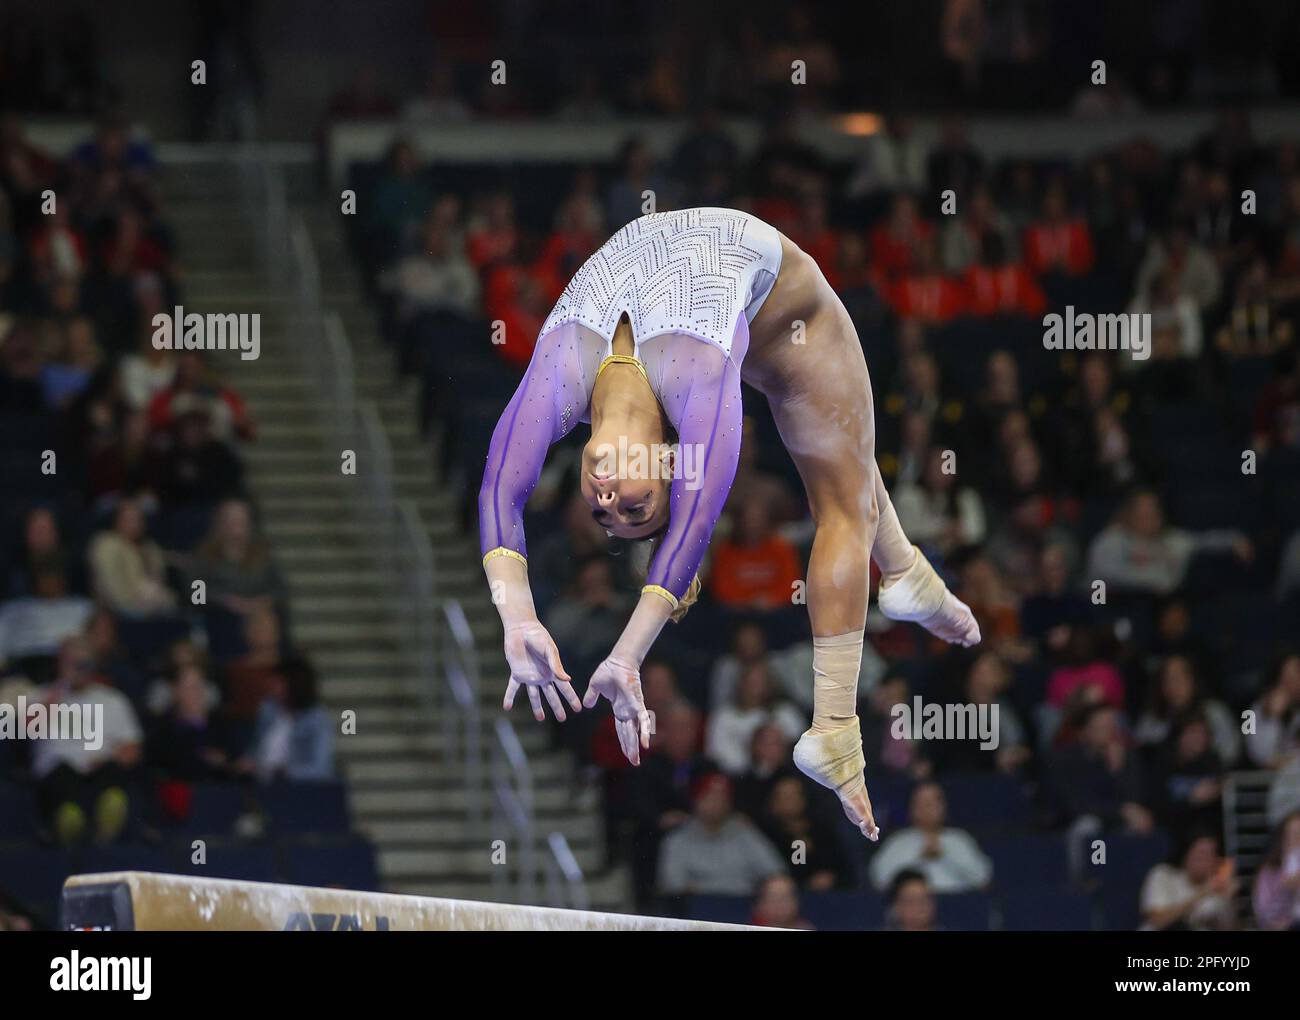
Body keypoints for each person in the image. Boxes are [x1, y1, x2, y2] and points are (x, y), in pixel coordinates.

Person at [480, 208, 980, 840]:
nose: (607, 501)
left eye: (604, 512)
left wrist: (519, 617)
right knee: (843, 501)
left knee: (850, 474)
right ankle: (838, 724)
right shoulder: (699, 390)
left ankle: (905, 577)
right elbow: (689, 532)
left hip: (758, 312)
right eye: (634, 510)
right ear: (670, 463)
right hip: (794, 317)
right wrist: (622, 655)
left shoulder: (561, 376)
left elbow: (501, 492)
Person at [657, 771, 785, 897]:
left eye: (722, 797)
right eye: (709, 796)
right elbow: (673, 885)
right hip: (695, 908)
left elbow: (775, 871)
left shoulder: (744, 832)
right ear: (696, 799)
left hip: (743, 907)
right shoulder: (677, 839)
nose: (716, 802)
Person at [868, 781, 992, 893]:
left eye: (933, 802)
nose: (928, 807)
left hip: (957, 907)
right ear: (912, 808)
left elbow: (983, 879)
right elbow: (879, 879)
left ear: (944, 806)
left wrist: (945, 854)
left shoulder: (959, 839)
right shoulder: (898, 841)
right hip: (911, 911)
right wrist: (919, 856)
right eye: (921, 802)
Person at [1140, 832, 1238, 931]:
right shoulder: (1163, 875)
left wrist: (1228, 901)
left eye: (1210, 855)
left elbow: (1227, 927)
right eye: (1200, 853)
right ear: (1186, 854)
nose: (1204, 860)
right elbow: (1158, 921)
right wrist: (1203, 893)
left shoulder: (1217, 886)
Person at [1253, 811, 1300, 931]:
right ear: (1282, 839)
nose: (1296, 841)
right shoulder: (1270, 870)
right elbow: (1264, 910)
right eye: (1293, 835)